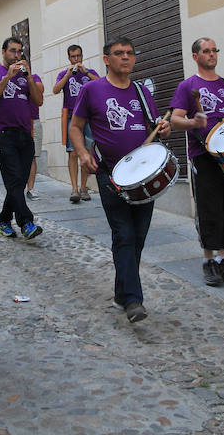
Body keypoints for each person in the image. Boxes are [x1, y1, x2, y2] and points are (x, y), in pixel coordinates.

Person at [69, 37, 171, 323]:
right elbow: (75, 127)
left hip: (142, 177)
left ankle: (121, 291)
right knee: (123, 234)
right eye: (118, 53)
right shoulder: (91, 90)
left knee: (137, 237)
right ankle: (133, 301)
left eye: (129, 53)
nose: (125, 57)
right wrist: (81, 154)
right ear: (106, 59)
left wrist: (164, 128)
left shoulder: (141, 91)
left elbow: (157, 128)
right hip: (109, 173)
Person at [170, 38, 224, 287]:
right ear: (195, 56)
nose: (212, 54)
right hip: (203, 156)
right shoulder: (188, 86)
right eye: (206, 51)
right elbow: (174, 120)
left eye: (215, 50)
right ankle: (208, 262)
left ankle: (223, 261)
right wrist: (194, 123)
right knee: (209, 208)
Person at [0, 37, 44, 240]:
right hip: (3, 134)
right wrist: (7, 77)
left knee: (19, 183)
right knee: (14, 179)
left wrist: (30, 77)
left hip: (25, 134)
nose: (16, 55)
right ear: (3, 52)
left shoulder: (26, 76)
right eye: (12, 51)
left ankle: (4, 219)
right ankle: (26, 222)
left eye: (19, 51)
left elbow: (38, 101)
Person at [53, 44, 99, 203]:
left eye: (79, 56)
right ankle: (74, 189)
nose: (76, 59)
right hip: (72, 117)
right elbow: (55, 90)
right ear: (69, 58)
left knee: (86, 152)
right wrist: (67, 75)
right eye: (73, 57)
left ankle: (84, 187)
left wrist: (85, 71)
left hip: (88, 117)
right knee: (72, 153)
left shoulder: (90, 73)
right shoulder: (63, 74)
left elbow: (101, 84)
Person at [25, 79, 45, 200]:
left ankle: (30, 188)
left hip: (33, 121)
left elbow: (40, 91)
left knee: (32, 156)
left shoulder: (34, 78)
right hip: (18, 122)